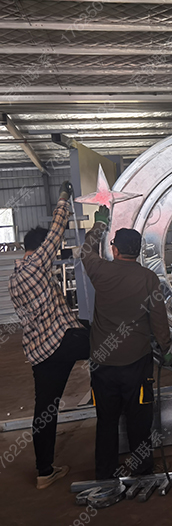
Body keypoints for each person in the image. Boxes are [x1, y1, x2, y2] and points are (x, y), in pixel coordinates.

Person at [80, 205, 172, 480]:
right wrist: (166, 349)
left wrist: (99, 225)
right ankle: (142, 470)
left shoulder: (101, 271)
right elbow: (159, 318)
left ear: (115, 250)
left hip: (102, 364)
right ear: (138, 251)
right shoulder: (148, 278)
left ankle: (105, 473)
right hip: (136, 363)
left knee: (106, 421)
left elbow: (86, 252)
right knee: (139, 419)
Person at [9, 181, 90, 489]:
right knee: (112, 343)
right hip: (62, 341)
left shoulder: (15, 277)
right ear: (39, 247)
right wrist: (64, 197)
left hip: (40, 352)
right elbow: (56, 230)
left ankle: (44, 471)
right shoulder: (36, 265)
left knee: (45, 409)